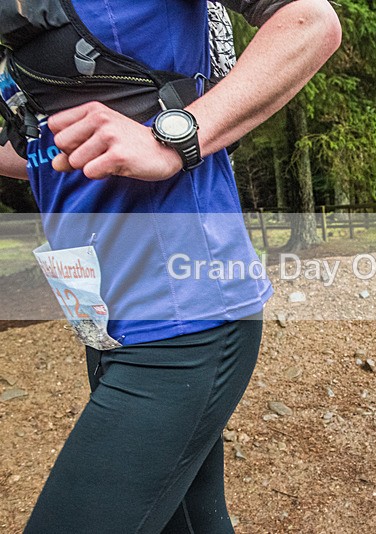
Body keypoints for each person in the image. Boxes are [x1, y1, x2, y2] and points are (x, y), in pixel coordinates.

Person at [0, 1, 340, 532]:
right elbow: (51, 153)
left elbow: (310, 22)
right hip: (107, 321)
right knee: (191, 523)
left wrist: (174, 136)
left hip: (184, 320)